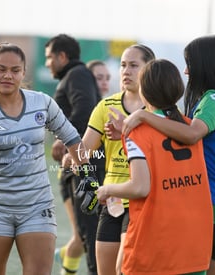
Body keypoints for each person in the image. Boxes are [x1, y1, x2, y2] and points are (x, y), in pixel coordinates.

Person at [0, 42, 98, 275]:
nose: (8, 75)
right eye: (1, 69)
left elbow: (71, 138)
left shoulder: (42, 102)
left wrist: (88, 175)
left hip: (37, 205)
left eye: (15, 70)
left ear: (23, 72)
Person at [97, 59, 212, 274]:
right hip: (194, 246)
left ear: (144, 92)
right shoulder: (189, 127)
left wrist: (107, 189)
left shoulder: (139, 133)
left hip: (154, 246)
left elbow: (140, 187)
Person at [81, 44, 155, 275]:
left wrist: (127, 130)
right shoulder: (106, 106)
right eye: (123, 65)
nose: (126, 71)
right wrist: (83, 173)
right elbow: (83, 153)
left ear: (149, 69)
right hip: (110, 201)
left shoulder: (158, 111)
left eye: (134, 65)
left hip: (142, 201)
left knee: (124, 269)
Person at [44, 34, 104, 275]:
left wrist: (63, 138)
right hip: (78, 163)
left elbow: (85, 110)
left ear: (62, 56)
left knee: (90, 233)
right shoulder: (74, 75)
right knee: (85, 233)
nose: (48, 63)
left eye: (50, 58)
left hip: (83, 163)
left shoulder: (76, 74)